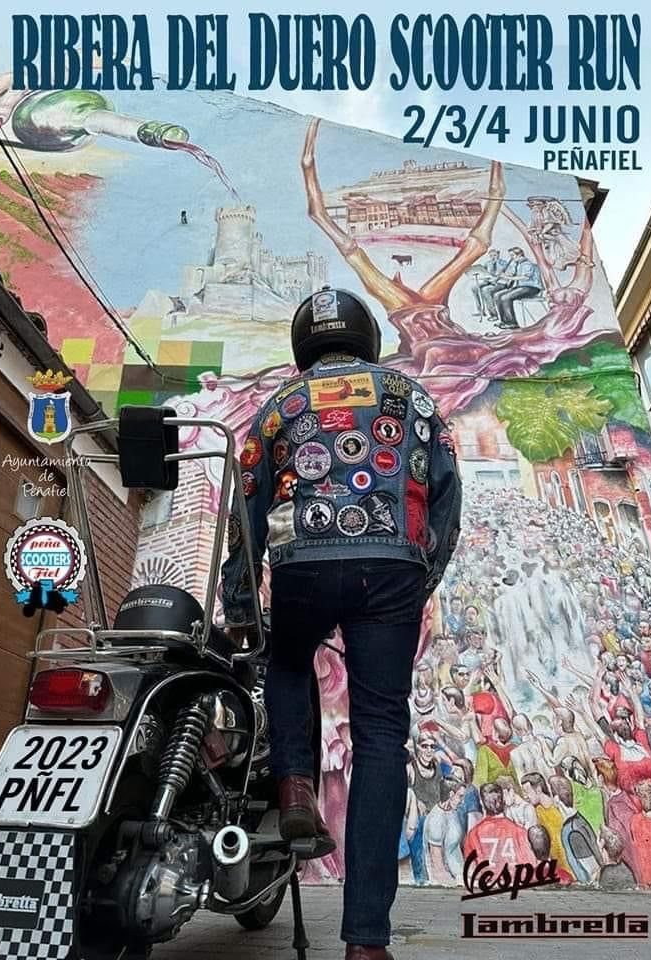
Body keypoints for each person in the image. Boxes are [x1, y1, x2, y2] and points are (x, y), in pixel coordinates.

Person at [221, 287, 462, 960]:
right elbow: (446, 494)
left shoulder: (278, 406)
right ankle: (366, 944)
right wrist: (422, 577)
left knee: (288, 660)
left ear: (305, 343)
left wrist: (240, 601)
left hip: (300, 565)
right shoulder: (413, 398)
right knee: (381, 737)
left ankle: (294, 783)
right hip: (391, 572)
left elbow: (245, 505)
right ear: (366, 338)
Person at [492, 247, 543, 330]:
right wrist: (503, 275)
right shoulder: (517, 264)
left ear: (519, 255)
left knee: (505, 297)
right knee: (497, 295)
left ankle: (512, 323)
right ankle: (504, 321)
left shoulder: (527, 264)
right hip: (521, 287)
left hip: (531, 288)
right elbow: (513, 274)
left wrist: (509, 277)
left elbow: (525, 277)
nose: (511, 258)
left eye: (512, 256)